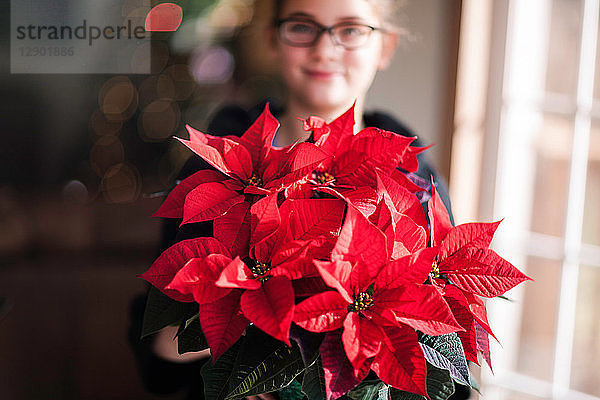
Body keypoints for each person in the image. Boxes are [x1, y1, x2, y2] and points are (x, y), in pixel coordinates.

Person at [130, 0, 462, 398]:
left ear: (385, 46)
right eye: (302, 27)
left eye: (351, 29)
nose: (324, 49)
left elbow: (446, 350)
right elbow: (162, 346)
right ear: (273, 39)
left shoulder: (418, 179)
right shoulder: (219, 169)